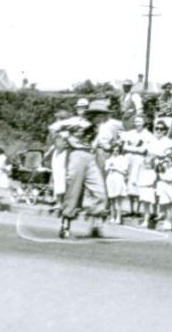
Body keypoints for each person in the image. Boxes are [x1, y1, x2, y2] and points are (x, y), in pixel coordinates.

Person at [50, 100, 110, 238]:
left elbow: (94, 141)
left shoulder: (96, 127)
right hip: (76, 155)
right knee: (74, 191)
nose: (103, 118)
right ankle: (65, 227)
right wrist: (62, 139)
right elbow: (54, 127)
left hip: (90, 157)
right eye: (101, 115)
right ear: (94, 114)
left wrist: (103, 146)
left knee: (100, 191)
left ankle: (95, 220)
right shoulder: (76, 122)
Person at [120, 114, 153, 217]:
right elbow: (124, 146)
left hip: (140, 160)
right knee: (129, 182)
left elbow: (143, 149)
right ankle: (131, 209)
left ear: (144, 123)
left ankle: (138, 210)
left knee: (137, 182)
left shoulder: (147, 135)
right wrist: (134, 149)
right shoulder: (130, 133)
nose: (137, 123)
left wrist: (131, 148)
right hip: (129, 159)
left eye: (139, 121)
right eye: (136, 121)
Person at [91, 102, 123, 172]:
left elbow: (123, 137)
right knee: (99, 172)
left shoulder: (116, 124)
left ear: (107, 114)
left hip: (111, 151)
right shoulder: (98, 124)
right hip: (99, 151)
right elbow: (97, 137)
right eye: (99, 114)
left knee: (111, 171)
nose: (100, 116)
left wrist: (115, 145)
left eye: (103, 113)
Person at [104, 142, 129, 224]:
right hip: (111, 179)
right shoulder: (109, 160)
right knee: (112, 200)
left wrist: (115, 168)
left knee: (118, 200)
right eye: (114, 150)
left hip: (119, 178)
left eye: (117, 151)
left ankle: (118, 217)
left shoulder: (123, 159)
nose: (115, 152)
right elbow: (106, 170)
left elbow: (124, 171)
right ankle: (112, 217)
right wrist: (110, 167)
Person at [155, 157, 172, 231]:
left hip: (170, 191)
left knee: (168, 208)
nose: (167, 163)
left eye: (169, 161)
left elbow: (169, 179)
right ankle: (164, 223)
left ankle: (168, 225)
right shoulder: (163, 169)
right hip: (163, 191)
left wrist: (161, 175)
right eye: (165, 161)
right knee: (163, 208)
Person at [50, 130, 69, 214]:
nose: (57, 143)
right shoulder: (55, 152)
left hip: (63, 172)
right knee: (57, 188)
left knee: (62, 188)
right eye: (56, 142)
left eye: (59, 142)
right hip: (56, 172)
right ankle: (58, 203)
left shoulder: (66, 153)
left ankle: (61, 204)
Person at [137, 156, 158, 228]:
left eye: (149, 164)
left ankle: (146, 221)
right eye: (146, 164)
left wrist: (142, 184)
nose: (147, 166)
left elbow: (151, 182)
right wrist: (139, 184)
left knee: (148, 206)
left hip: (149, 190)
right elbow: (140, 181)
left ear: (152, 165)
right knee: (145, 206)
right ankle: (145, 220)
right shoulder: (143, 172)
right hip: (143, 190)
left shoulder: (152, 172)